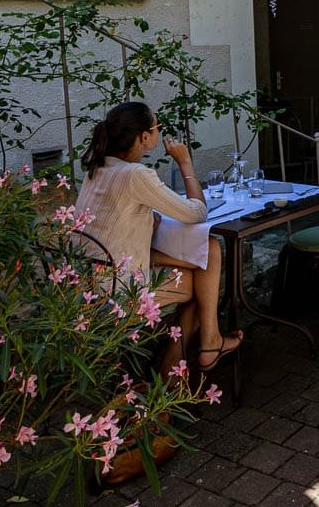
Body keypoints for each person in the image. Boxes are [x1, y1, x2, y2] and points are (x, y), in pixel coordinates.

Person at [75, 101, 242, 374]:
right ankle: (180, 367)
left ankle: (198, 351)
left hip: (92, 280)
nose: (159, 133)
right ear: (144, 137)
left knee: (207, 255)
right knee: (204, 280)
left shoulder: (98, 168)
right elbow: (197, 213)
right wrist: (185, 162)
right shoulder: (135, 174)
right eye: (157, 128)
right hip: (118, 290)